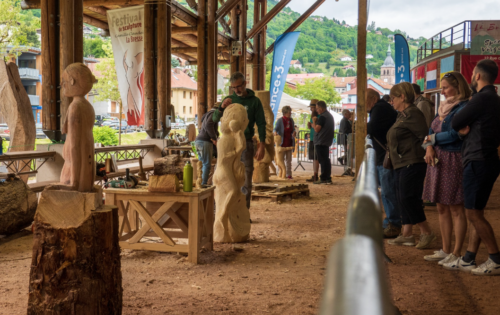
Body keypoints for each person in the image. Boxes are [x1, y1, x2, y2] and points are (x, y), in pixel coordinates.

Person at [450, 59, 500, 275]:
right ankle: (469, 257)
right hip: (486, 159)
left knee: (474, 214)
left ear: (477, 76)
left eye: (472, 76)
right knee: (475, 211)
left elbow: (454, 122)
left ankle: (495, 258)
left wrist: (463, 127)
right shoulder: (495, 99)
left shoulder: (481, 99)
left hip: (478, 160)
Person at [420, 72, 470, 267]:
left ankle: (457, 252)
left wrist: (432, 140)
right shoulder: (442, 108)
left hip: (453, 158)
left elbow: (457, 135)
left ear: (458, 87)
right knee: (441, 206)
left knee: (456, 207)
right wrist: (430, 146)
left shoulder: (464, 107)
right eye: (442, 87)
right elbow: (430, 132)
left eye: (446, 87)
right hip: (437, 159)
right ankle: (445, 249)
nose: (442, 91)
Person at [386, 82, 436, 249]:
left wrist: (430, 151)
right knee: (402, 197)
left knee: (409, 198)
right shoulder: (402, 114)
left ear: (402, 97)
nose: (391, 101)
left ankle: (426, 231)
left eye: (393, 98)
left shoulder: (413, 114)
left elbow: (425, 136)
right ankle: (407, 233)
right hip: (402, 162)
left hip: (412, 162)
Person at [213, 72, 266, 210]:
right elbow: (213, 119)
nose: (237, 90)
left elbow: (261, 124)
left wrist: (262, 145)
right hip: (228, 144)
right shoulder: (229, 99)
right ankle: (221, 209)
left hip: (246, 143)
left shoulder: (255, 101)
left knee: (246, 178)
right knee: (223, 175)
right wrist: (221, 108)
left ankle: (243, 212)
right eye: (233, 87)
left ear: (245, 83)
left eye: (238, 86)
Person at [365, 89, 400, 238]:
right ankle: (391, 222)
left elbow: (370, 128)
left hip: (385, 157)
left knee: (387, 191)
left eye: (364, 99)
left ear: (373, 99)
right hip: (382, 155)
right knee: (386, 190)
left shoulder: (379, 108)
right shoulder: (379, 108)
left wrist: (360, 124)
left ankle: (393, 223)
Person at [195, 105, 219, 186]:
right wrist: (214, 138)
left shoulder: (207, 114)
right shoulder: (214, 114)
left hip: (198, 141)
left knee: (201, 163)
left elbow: (209, 126)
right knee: (206, 164)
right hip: (205, 141)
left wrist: (216, 135)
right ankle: (203, 184)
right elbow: (209, 125)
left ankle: (200, 183)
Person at [312, 100, 334, 184]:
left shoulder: (322, 117)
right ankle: (327, 178)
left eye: (317, 108)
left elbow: (317, 129)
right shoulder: (329, 116)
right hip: (326, 141)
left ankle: (324, 178)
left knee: (323, 160)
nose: (316, 110)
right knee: (326, 159)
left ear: (321, 108)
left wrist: (314, 121)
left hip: (321, 141)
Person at [274, 106, 296, 179]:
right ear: (285, 113)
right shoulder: (280, 120)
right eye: (289, 112)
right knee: (280, 160)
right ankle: (279, 173)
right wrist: (275, 133)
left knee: (289, 160)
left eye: (290, 112)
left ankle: (288, 174)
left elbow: (293, 130)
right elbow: (275, 129)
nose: (290, 114)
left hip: (289, 143)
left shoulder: (291, 120)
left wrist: (294, 132)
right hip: (281, 144)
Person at [306, 99, 320, 182]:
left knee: (316, 158)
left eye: (312, 107)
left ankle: (316, 174)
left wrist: (312, 124)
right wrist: (309, 125)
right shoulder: (312, 116)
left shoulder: (318, 116)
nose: (311, 109)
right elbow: (312, 127)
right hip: (312, 138)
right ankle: (315, 174)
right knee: (313, 158)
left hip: (316, 139)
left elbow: (316, 128)